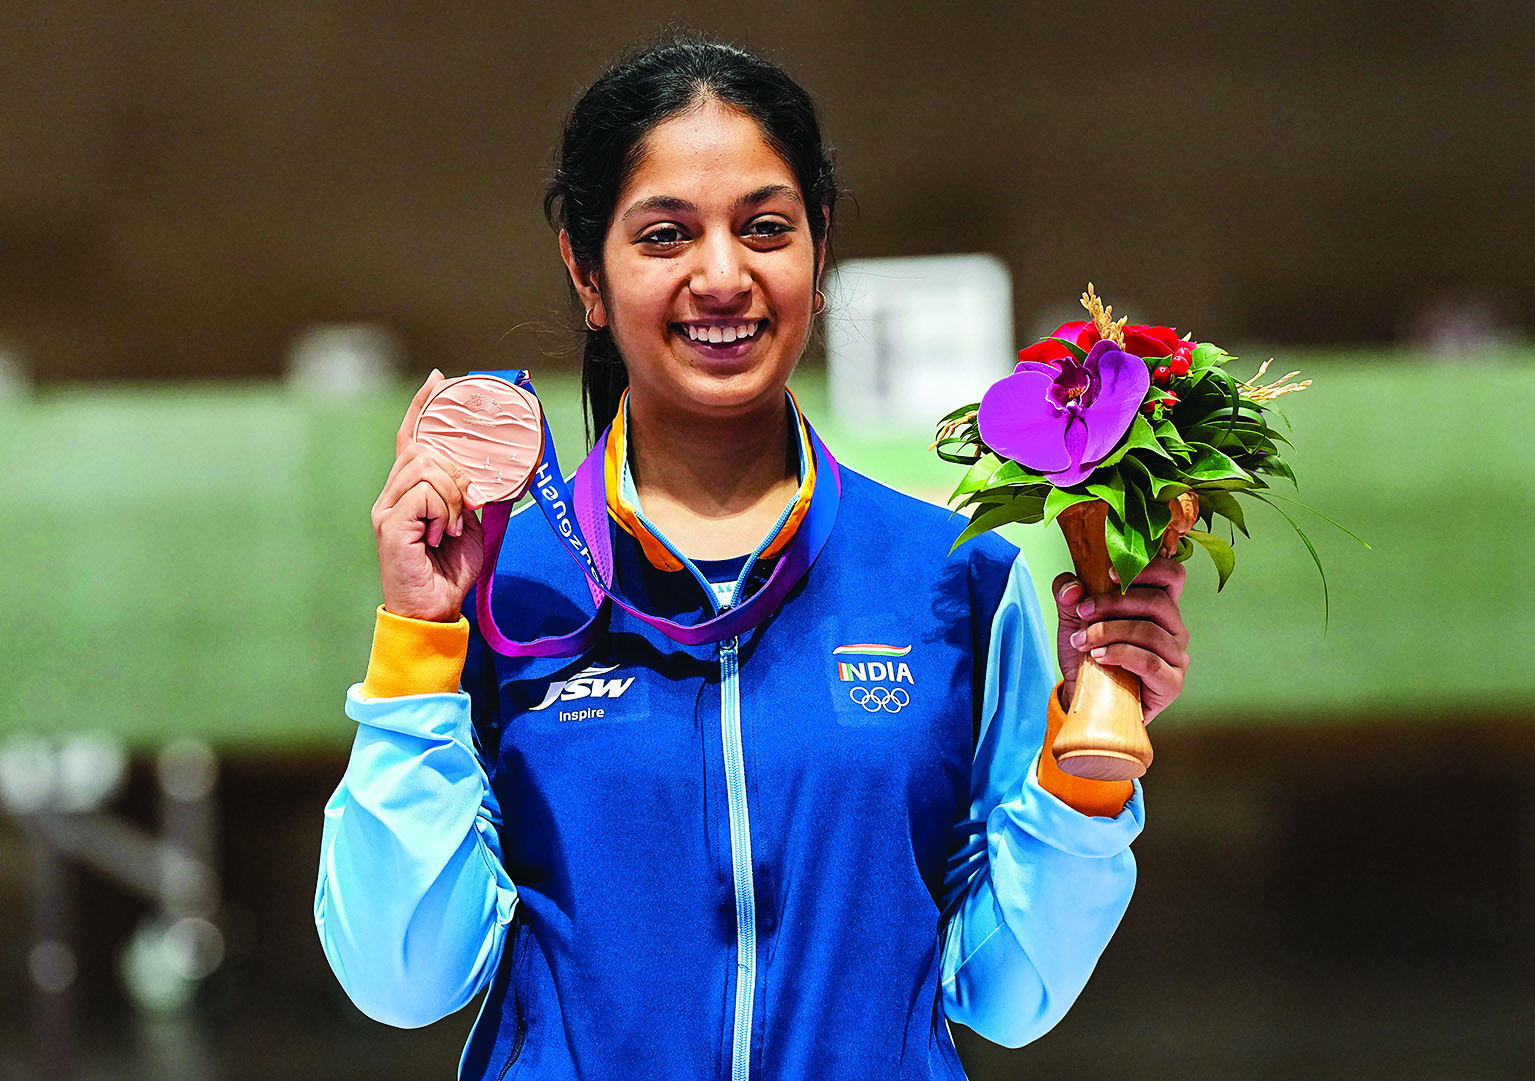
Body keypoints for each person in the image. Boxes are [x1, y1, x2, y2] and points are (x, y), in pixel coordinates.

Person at [315, 36, 1190, 1081]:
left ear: (817, 249)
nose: (722, 275)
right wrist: (417, 641)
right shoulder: (504, 586)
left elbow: (1005, 996)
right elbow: (401, 976)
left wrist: (1087, 773)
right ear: (585, 271)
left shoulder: (953, 578)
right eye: (665, 235)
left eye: (765, 227)